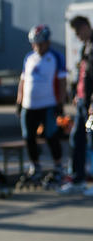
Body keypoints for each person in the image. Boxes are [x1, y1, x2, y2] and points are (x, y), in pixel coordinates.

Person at [16, 24, 67, 183]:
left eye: (39, 43)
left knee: (51, 135)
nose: (36, 46)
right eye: (34, 43)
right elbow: (23, 80)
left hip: (48, 103)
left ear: (47, 42)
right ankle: (35, 167)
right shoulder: (29, 58)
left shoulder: (55, 57)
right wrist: (19, 100)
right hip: (29, 105)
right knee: (29, 137)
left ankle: (58, 166)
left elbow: (62, 81)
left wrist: (60, 103)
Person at [65, 15, 93, 196]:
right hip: (83, 102)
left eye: (77, 32)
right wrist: (78, 94)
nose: (77, 36)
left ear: (85, 27)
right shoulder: (86, 46)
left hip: (91, 104)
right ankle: (78, 179)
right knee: (77, 139)